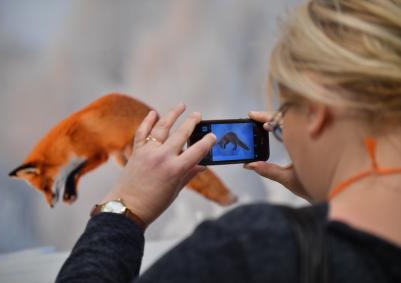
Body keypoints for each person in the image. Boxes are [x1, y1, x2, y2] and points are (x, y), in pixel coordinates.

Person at [56, 0, 401, 282]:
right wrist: (336, 190)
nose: (281, 129)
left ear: (316, 109)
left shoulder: (251, 248)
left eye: (285, 112)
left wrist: (123, 208)